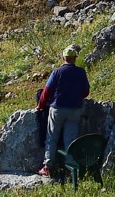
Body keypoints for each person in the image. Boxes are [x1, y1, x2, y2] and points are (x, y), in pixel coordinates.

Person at [37, 44, 90, 177]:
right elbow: (86, 91)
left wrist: (40, 105)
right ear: (75, 59)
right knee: (70, 140)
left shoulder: (57, 72)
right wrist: (76, 97)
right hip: (75, 109)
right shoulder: (81, 72)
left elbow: (46, 92)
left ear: (63, 58)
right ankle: (69, 168)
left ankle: (48, 167)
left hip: (57, 109)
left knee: (52, 137)